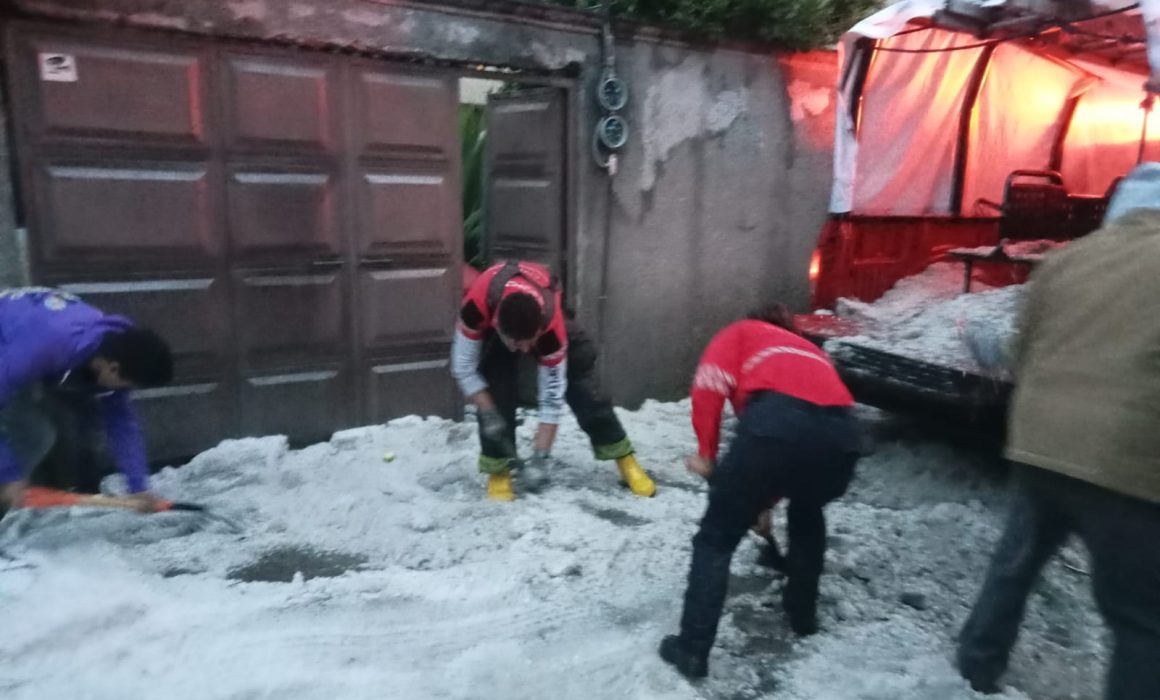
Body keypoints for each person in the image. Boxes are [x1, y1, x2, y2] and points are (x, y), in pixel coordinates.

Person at [956, 163, 1160, 700]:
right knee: (1138, 618)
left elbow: (1019, 353)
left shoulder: (1066, 260)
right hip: (1127, 463)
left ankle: (973, 669)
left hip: (1039, 446)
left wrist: (979, 342)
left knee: (1013, 567)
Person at [660, 303, 861, 679]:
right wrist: (761, 502)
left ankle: (692, 650)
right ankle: (802, 615)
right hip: (844, 440)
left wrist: (707, 455)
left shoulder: (738, 333)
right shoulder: (808, 350)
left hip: (776, 425)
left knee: (715, 539)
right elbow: (795, 442)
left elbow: (709, 389)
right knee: (807, 509)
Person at [450, 261, 655, 501]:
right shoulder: (475, 309)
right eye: (518, 345)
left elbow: (551, 397)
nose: (525, 351)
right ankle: (499, 470)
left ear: (539, 330)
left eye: (530, 343)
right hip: (494, 307)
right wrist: (488, 411)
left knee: (582, 384)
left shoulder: (551, 328)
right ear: (498, 327)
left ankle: (624, 458)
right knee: (496, 383)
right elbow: (462, 367)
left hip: (543, 307)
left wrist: (541, 457)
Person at [0, 287, 174, 518]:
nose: (124, 391)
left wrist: (138, 487)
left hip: (19, 345)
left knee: (44, 431)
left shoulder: (117, 350)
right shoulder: (47, 346)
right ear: (112, 369)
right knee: (35, 435)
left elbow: (121, 422)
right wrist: (9, 475)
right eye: (126, 384)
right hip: (13, 340)